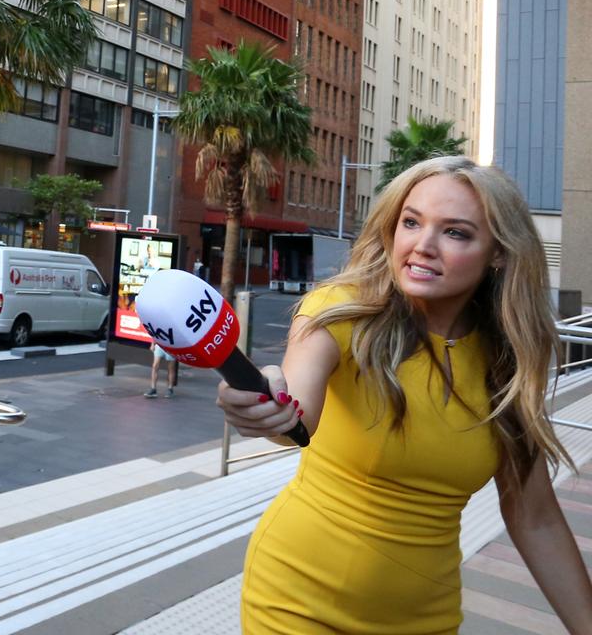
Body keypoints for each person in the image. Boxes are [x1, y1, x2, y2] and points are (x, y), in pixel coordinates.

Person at [217, 156, 592, 634]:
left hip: (425, 618)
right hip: (296, 602)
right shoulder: (340, 312)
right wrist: (262, 403)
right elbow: (296, 418)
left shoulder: (508, 361)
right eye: (411, 222)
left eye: (455, 232)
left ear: (497, 252)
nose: (422, 246)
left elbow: (534, 517)